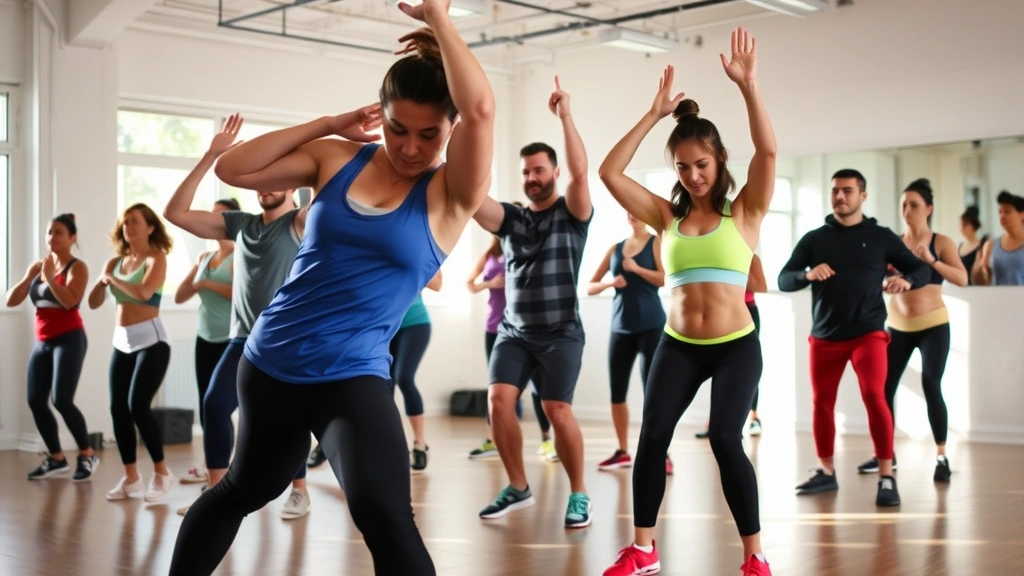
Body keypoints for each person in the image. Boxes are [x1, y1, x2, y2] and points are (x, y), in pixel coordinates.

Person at [168, 0, 495, 572]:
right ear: (381, 115)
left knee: (384, 512)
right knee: (245, 490)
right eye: (397, 129)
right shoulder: (337, 158)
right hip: (269, 363)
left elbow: (483, 108)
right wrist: (326, 124)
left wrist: (441, 18)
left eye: (429, 134)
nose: (411, 148)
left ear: (450, 130)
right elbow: (234, 170)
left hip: (352, 375)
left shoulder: (451, 193)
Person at [598, 27, 776, 576]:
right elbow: (608, 172)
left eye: (702, 164)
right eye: (682, 167)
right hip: (678, 343)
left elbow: (767, 149)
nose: (693, 176)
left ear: (720, 160)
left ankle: (755, 556)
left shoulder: (743, 211)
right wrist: (654, 114)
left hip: (735, 346)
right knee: (652, 437)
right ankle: (644, 549)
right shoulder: (665, 217)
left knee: (725, 436)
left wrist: (748, 87)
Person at [162, 115, 311, 519]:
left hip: (284, 339)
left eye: (277, 179)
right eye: (260, 180)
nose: (266, 187)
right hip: (242, 338)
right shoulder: (240, 225)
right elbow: (175, 212)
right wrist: (211, 155)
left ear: (293, 186)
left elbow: (324, 193)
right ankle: (215, 493)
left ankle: (299, 489)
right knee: (214, 405)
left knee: (287, 418)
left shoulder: (299, 221)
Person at [471, 76, 594, 528]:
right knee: (498, 401)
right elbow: (468, 198)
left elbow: (583, 174)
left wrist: (565, 115)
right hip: (515, 332)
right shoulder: (513, 218)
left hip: (561, 331)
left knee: (555, 409)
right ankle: (518, 486)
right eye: (525, 172)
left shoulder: (573, 214)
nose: (531, 178)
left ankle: (579, 494)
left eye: (539, 170)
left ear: (554, 172)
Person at [778, 168, 932, 508]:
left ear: (862, 196)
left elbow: (922, 269)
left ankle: (886, 476)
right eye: (835, 191)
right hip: (825, 336)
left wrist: (907, 281)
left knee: (876, 397)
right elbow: (784, 278)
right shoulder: (815, 239)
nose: (840, 197)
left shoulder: (881, 236)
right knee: (821, 405)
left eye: (847, 190)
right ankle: (826, 472)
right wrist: (807, 273)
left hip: (869, 333)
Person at [856, 178, 967, 482]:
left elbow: (962, 278)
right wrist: (884, 284)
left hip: (933, 326)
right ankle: (886, 456)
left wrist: (931, 261)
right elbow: (874, 277)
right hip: (898, 327)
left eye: (914, 204)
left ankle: (941, 456)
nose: (907, 210)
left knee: (931, 384)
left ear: (928, 209)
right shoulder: (893, 242)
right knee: (883, 389)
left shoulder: (940, 242)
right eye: (904, 204)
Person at [87, 203, 175, 502]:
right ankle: (131, 478)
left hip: (152, 340)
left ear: (150, 227)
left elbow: (144, 293)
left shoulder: (156, 259)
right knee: (118, 409)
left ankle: (162, 474)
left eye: (135, 222)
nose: (129, 227)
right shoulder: (114, 263)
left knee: (138, 406)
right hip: (122, 341)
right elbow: (94, 302)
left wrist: (113, 280)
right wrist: (102, 281)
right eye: (125, 223)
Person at [5, 214, 98, 482]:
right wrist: (32, 276)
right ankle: (57, 458)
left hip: (69, 339)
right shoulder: (39, 266)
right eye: (49, 232)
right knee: (35, 400)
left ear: (72, 237)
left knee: (62, 400)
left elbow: (70, 301)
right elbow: (12, 300)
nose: (51, 238)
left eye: (58, 232)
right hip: (43, 342)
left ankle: (87, 453)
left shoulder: (77, 267)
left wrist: (49, 277)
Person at [586, 212, 670, 474]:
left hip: (651, 325)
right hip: (621, 327)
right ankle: (622, 451)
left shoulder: (655, 242)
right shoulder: (615, 248)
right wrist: (611, 283)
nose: (632, 215)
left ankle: (661, 452)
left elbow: (663, 278)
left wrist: (636, 269)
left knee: (654, 392)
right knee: (617, 392)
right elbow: (590, 285)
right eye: (628, 211)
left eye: (636, 211)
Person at [465, 233, 556, 462]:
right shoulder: (489, 254)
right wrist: (489, 284)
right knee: (495, 386)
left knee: (538, 387)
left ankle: (546, 441)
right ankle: (492, 440)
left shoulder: (528, 251)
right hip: (494, 329)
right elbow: (470, 284)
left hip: (525, 329)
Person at [173, 198, 237, 486]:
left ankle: (227, 468)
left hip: (231, 338)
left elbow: (239, 295)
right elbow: (179, 295)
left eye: (220, 215)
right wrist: (199, 281)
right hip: (205, 337)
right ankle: (211, 464)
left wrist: (207, 284)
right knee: (206, 404)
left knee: (222, 406)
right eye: (211, 215)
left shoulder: (240, 255)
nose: (213, 220)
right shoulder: (203, 259)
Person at [695, 253, 767, 439]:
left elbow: (760, 286)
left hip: (746, 311)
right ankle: (714, 422)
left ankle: (753, 418)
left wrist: (735, 265)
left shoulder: (750, 256)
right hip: (718, 311)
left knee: (746, 368)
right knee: (717, 364)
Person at [391, 270, 443, 472]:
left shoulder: (418, 244)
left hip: (415, 324)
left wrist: (412, 260)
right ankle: (392, 446)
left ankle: (420, 444)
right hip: (385, 326)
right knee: (384, 386)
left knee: (404, 377)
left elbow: (438, 284)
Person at [972, 191, 1024, 286]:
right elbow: (982, 282)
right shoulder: (990, 245)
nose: (1002, 216)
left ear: (1022, 214)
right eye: (1000, 212)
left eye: (1007, 211)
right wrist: (981, 270)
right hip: (998, 299)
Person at [957, 206, 987, 284]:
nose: (962, 228)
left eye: (965, 225)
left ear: (974, 226)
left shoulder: (982, 246)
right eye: (960, 225)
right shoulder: (958, 247)